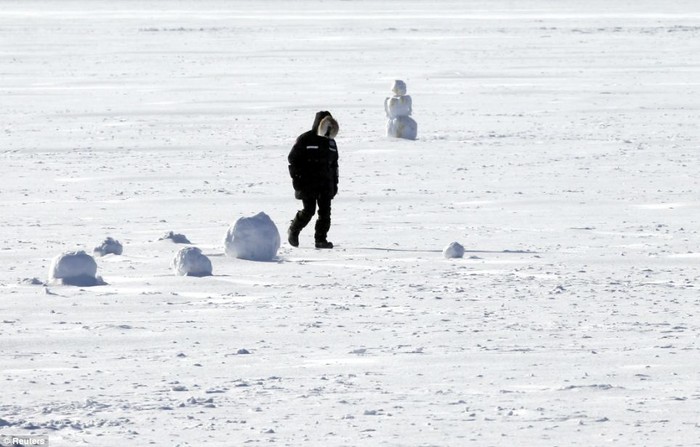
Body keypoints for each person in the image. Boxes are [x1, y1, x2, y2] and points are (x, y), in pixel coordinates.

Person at [287, 111, 339, 249]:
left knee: (325, 213)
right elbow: (293, 160)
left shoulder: (331, 143)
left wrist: (335, 184)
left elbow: (334, 165)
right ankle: (294, 229)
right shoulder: (305, 139)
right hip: (307, 184)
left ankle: (321, 239)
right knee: (309, 211)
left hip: (325, 184)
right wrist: (297, 180)